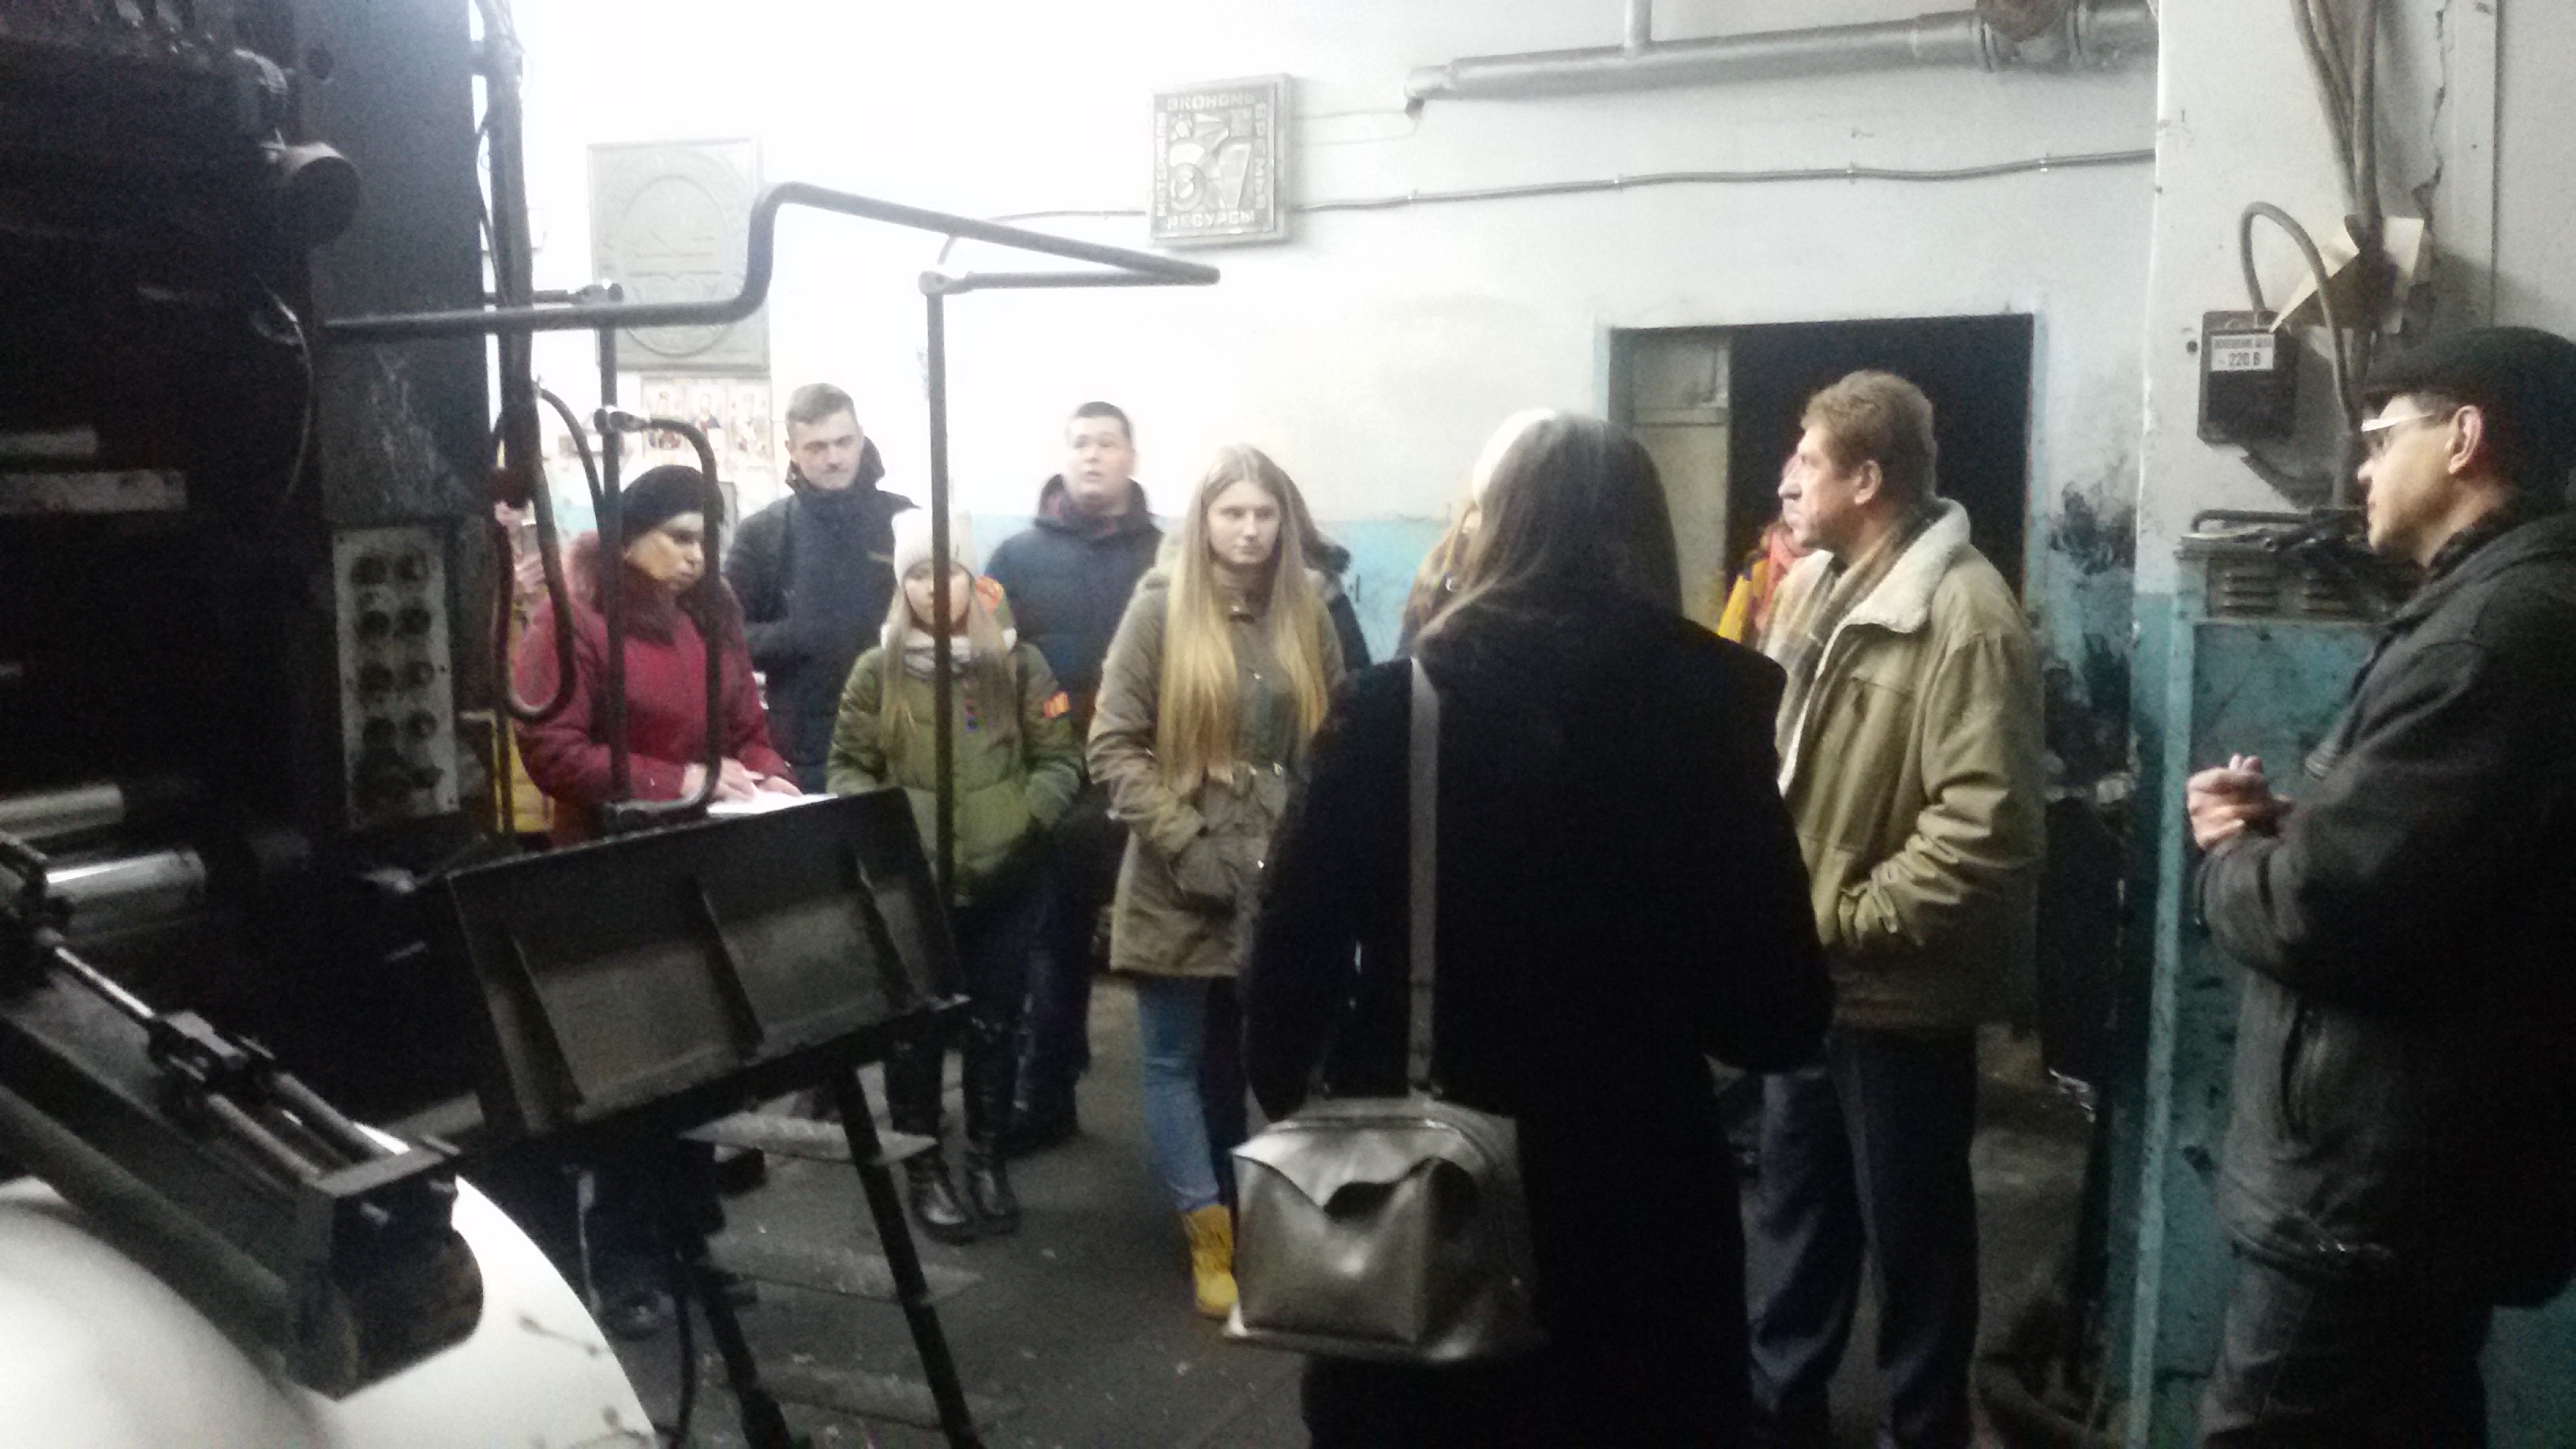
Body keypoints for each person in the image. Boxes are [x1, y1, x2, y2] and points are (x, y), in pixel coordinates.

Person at [1245, 414, 1831, 1446]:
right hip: (1642, 1221)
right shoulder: (1713, 716)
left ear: (1491, 528)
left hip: (1429, 1209)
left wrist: (1332, 1105)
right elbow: (1779, 1015)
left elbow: (1284, 976)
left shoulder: (1392, 711)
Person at [2184, 326, 2576, 1447]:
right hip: (2425, 1174)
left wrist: (2232, 857)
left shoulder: (2492, 637)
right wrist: (2302, 827)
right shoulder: (2504, 611)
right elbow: (2444, 866)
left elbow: (2325, 912)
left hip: (2368, 1190)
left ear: (2464, 439)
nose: (2360, 469)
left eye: (2380, 437)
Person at [1745, 370, 2046, 1449]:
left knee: (1914, 1243)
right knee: (1796, 1217)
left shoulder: (1965, 616)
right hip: (1809, 978)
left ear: (1867, 479)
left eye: (1809, 459)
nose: (1790, 479)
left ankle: (1923, 1430)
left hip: (1894, 993)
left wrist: (1843, 917)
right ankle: (1781, 1412)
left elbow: (1983, 835)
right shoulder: (1814, 588)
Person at [1088, 444, 1345, 1320]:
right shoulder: (1160, 608)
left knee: (1256, 1054)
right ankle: (1207, 1234)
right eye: (1232, 513)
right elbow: (1112, 745)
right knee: (1170, 1060)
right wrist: (1185, 839)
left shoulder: (1307, 611)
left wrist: (1315, 845)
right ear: (1202, 521)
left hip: (1275, 875)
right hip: (1179, 874)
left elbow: (1337, 738)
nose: (1250, 530)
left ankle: (1262, 1213)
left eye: (1265, 514)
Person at [828, 508, 1081, 1245]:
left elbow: (1061, 759)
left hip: (1007, 883)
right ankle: (925, 1169)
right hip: (913, 889)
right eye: (917, 574)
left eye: (948, 571)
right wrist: (889, 834)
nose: (934, 587)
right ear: (900, 585)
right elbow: (847, 766)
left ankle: (988, 1161)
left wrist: (1023, 818)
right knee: (913, 1034)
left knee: (996, 1025)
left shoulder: (1018, 665)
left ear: (973, 577)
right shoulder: (877, 671)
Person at [983, 402, 1165, 1155]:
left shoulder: (1169, 555)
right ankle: (1048, 1092)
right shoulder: (1015, 558)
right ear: (1064, 456)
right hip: (1058, 773)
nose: (1093, 455)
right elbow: (985, 662)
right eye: (1081, 443)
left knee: (1171, 938)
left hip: (1152, 773)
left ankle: (1190, 1101)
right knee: (1052, 940)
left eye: (1107, 443)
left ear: (1131, 456)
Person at [515, 463, 799, 844]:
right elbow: (555, 752)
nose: (697, 556)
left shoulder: (712, 616)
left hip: (713, 837)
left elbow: (748, 731)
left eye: (706, 540)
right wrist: (677, 781)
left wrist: (767, 775)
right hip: (612, 847)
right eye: (680, 538)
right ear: (627, 541)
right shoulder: (572, 620)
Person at [726, 384, 914, 792]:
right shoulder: (764, 534)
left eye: (843, 442)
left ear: (861, 438)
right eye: (816, 447)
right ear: (792, 450)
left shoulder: (906, 522)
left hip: (902, 738)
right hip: (807, 751)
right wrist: (792, 637)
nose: (833, 458)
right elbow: (723, 636)